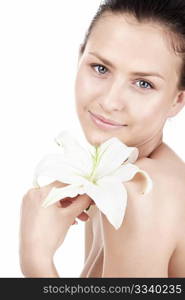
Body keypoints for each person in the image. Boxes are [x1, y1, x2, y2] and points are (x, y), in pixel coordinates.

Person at [19, 0, 185, 277]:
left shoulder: (140, 189)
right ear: (79, 58)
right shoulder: (114, 174)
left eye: (143, 83)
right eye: (100, 68)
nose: (110, 101)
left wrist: (35, 258)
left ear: (177, 101)